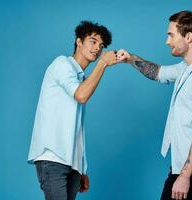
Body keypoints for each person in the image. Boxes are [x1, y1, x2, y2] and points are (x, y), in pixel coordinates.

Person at [117, 10, 192, 200]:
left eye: (171, 35)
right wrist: (130, 58)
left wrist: (184, 176)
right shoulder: (187, 67)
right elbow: (158, 73)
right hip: (185, 166)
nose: (167, 41)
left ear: (188, 37)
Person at [27, 21, 117, 200]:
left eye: (101, 46)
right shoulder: (61, 64)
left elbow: (76, 128)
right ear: (78, 42)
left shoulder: (81, 78)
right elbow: (81, 95)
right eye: (93, 41)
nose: (97, 48)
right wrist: (102, 64)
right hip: (52, 158)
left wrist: (81, 167)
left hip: (71, 164)